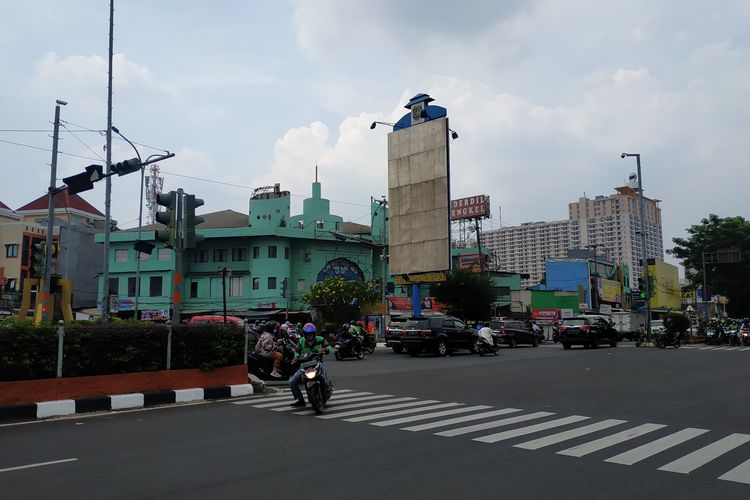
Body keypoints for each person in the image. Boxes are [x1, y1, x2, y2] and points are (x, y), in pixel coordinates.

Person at [288, 323, 333, 407]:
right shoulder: (301, 341)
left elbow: (330, 348)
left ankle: (326, 388)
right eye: (308, 334)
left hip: (317, 362)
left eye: (311, 334)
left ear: (314, 333)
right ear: (304, 334)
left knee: (323, 376)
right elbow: (297, 352)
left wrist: (326, 350)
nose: (309, 336)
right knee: (292, 381)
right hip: (304, 365)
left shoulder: (320, 339)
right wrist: (296, 357)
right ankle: (300, 399)